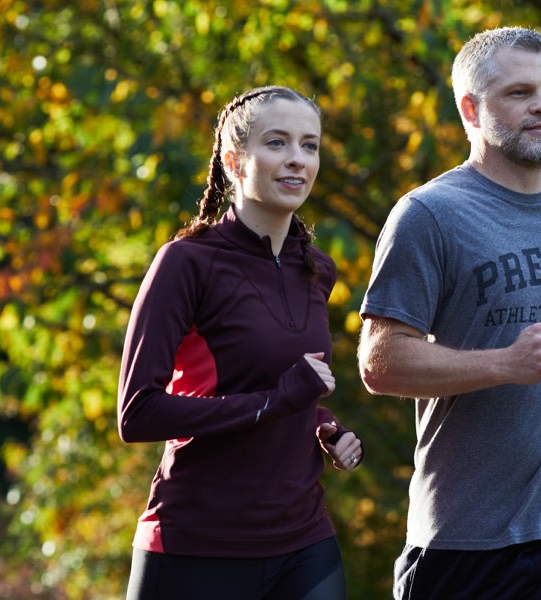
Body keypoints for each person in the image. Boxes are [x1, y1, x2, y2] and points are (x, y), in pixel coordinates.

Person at [357, 27, 541, 599]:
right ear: (471, 109)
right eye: (521, 93)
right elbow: (380, 362)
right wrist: (505, 363)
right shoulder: (428, 215)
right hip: (466, 541)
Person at [117, 86, 364, 600]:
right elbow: (137, 414)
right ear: (234, 160)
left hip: (303, 538)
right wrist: (276, 401)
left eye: (310, 145)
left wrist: (325, 426)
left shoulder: (316, 270)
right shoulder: (186, 263)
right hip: (197, 543)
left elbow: (292, 394)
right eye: (277, 143)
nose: (297, 160)